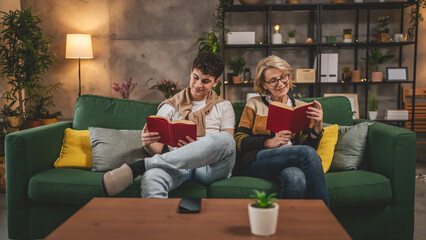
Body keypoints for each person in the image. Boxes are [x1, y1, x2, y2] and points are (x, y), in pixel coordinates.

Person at [101, 52, 236, 198]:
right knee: (151, 177)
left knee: (227, 139)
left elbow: (227, 147)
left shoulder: (224, 106)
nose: (198, 85)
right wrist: (147, 143)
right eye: (195, 77)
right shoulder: (170, 107)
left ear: (215, 82)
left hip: (210, 168)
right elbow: (157, 150)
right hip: (178, 167)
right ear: (191, 72)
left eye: (205, 81)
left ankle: (141, 166)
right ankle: (158, 219)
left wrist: (194, 147)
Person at [233, 55, 329, 206]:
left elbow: (308, 148)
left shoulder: (301, 106)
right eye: (273, 80)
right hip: (257, 161)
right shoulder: (254, 104)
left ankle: (289, 228)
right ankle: (325, 220)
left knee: (296, 179)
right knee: (306, 153)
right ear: (264, 84)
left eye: (283, 77)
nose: (280, 83)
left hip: (290, 160)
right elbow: (238, 140)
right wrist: (268, 142)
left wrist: (316, 129)